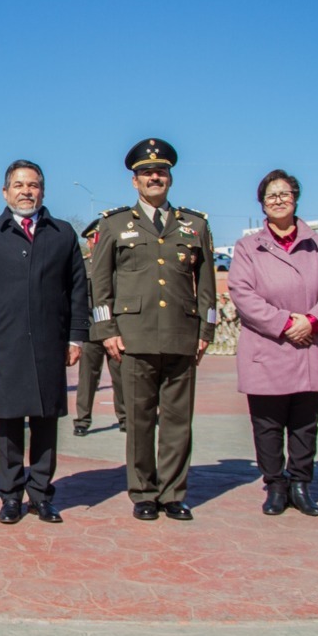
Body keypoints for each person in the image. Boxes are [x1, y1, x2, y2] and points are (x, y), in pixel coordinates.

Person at [92, 138, 216, 522]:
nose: (154, 178)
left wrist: (206, 332)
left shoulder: (195, 225)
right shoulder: (114, 224)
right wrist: (106, 329)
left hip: (182, 335)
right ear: (135, 181)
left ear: (170, 178)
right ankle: (144, 492)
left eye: (160, 172)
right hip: (133, 337)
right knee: (141, 420)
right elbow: (100, 285)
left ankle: (173, 493)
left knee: (179, 421)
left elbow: (208, 285)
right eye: (146, 173)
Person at [0, 159, 90, 525]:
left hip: (50, 343)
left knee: (46, 421)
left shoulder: (63, 233)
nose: (26, 191)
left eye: (33, 185)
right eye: (18, 185)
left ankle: (41, 493)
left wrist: (76, 337)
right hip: (4, 344)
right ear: (5, 192)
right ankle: (10, 496)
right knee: (8, 423)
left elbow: (78, 290)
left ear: (43, 191)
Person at [228, 169, 318, 516]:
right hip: (269, 347)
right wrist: (285, 324)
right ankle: (275, 485)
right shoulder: (248, 247)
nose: (278, 200)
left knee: (305, 424)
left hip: (313, 345)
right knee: (267, 425)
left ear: (295, 198)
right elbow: (243, 294)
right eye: (271, 196)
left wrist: (311, 321)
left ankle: (300, 483)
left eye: (284, 194)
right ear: (262, 204)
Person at [74, 218, 126, 437]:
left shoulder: (119, 265)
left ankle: (125, 417)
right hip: (91, 329)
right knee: (87, 378)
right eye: (96, 238)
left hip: (116, 329)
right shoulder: (84, 266)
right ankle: (82, 419)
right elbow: (77, 298)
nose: (100, 241)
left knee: (121, 376)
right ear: (89, 242)